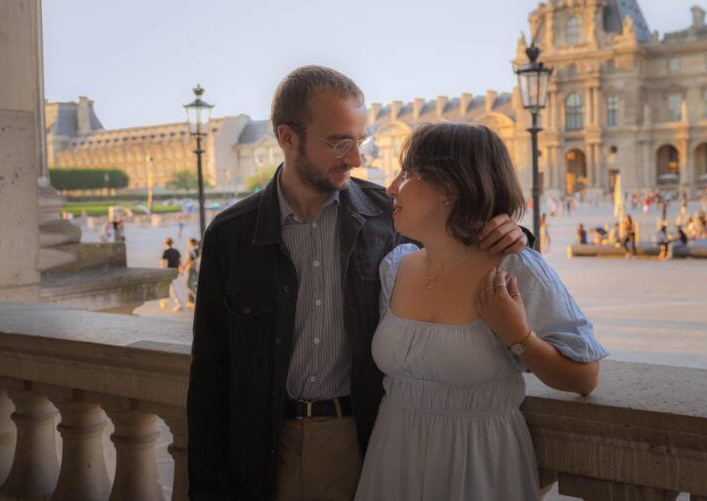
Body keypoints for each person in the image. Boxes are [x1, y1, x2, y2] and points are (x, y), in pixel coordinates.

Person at [186, 66, 529, 501]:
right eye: (339, 142)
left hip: (360, 441)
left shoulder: (389, 216)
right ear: (288, 137)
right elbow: (209, 376)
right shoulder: (230, 235)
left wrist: (513, 233)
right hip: (259, 446)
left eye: (359, 140)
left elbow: (461, 238)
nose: (356, 158)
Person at [353, 123, 607, 500]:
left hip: (480, 462)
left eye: (407, 174)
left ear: (449, 188)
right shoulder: (395, 266)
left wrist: (519, 337)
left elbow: (584, 378)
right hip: (394, 452)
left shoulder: (516, 269)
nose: (391, 186)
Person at [159, 237, 183, 312]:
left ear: (165, 243)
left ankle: (177, 304)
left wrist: (162, 272)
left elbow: (163, 263)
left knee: (171, 288)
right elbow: (180, 261)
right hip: (175, 271)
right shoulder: (176, 251)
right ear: (172, 243)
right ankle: (164, 303)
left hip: (168, 272)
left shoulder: (166, 251)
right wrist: (181, 270)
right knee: (173, 288)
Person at [183, 238, 200, 308]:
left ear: (191, 243)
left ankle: (196, 298)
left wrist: (183, 267)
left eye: (188, 242)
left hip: (190, 268)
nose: (187, 244)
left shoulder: (190, 250)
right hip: (195, 268)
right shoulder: (198, 250)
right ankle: (190, 302)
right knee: (192, 283)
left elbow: (188, 260)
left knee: (189, 285)